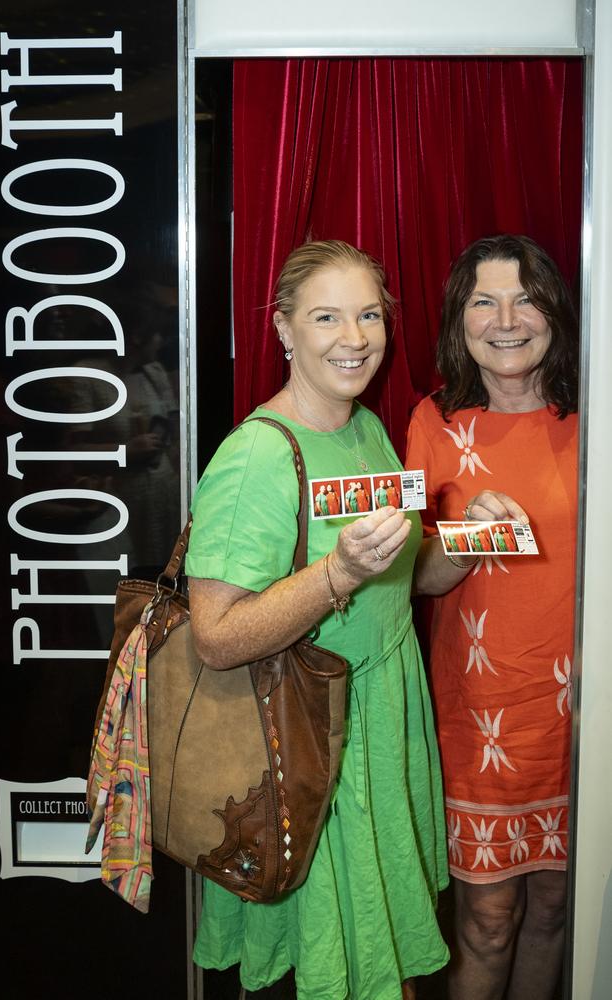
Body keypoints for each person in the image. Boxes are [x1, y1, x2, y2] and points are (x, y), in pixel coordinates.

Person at [186, 240, 463, 1000]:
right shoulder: (257, 458)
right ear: (282, 329)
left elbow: (400, 584)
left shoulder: (367, 428)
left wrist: (473, 543)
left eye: (370, 315)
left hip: (380, 727)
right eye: (327, 317)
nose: (355, 338)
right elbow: (216, 635)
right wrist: (335, 572)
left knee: (383, 970)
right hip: (313, 749)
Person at [406, 234, 578, 1000]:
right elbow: (415, 577)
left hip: (581, 715)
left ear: (554, 311)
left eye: (525, 297)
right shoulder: (433, 423)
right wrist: (469, 535)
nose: (506, 319)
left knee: (553, 911)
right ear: (459, 318)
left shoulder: (594, 417)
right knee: (488, 918)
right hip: (482, 717)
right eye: (484, 300)